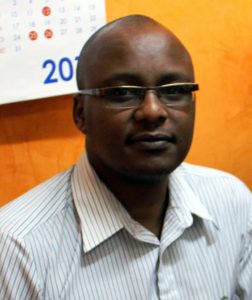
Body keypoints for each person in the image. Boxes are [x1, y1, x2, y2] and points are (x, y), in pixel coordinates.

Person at [0, 15, 251, 300]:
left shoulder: (232, 203)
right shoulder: (18, 247)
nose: (153, 111)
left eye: (175, 91)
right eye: (123, 93)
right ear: (80, 113)